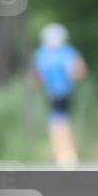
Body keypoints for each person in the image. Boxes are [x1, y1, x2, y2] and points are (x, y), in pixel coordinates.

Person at [32, 23, 87, 167]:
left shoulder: (64, 52)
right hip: (51, 92)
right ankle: (64, 153)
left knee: (59, 121)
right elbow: (37, 75)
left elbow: (79, 70)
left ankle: (65, 153)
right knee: (58, 121)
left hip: (64, 92)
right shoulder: (44, 53)